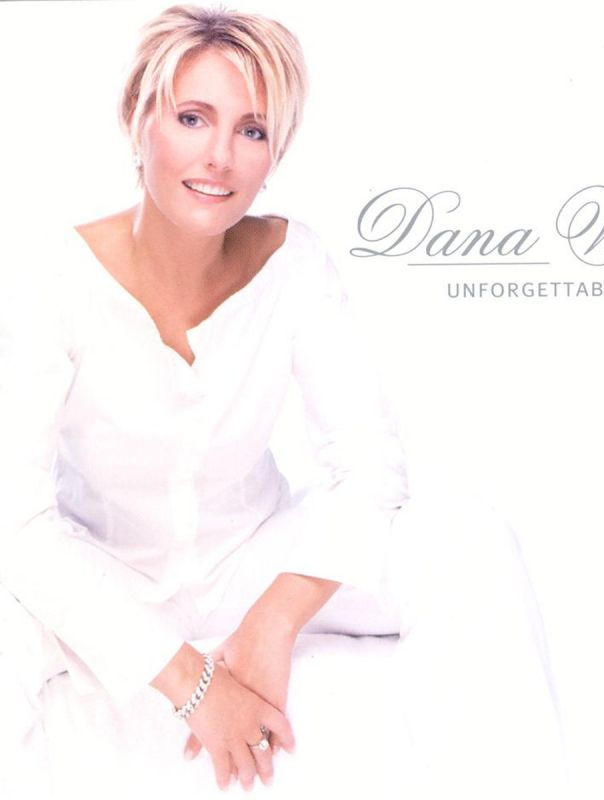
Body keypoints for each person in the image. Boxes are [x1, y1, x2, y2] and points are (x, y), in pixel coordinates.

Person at [0, 4, 566, 797]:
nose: (219, 155)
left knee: (467, 539)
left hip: (250, 558)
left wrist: (274, 619)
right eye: (193, 118)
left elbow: (370, 466)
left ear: (275, 153)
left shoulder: (294, 263)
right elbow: (19, 526)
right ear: (138, 118)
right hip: (109, 574)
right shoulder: (53, 280)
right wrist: (196, 685)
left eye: (252, 130)